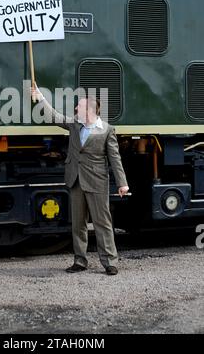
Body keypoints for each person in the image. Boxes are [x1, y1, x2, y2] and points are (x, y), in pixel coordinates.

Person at [31, 83, 129, 275]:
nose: (76, 108)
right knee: (78, 224)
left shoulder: (107, 130)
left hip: (97, 181)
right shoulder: (75, 124)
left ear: (90, 111)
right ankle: (80, 260)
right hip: (75, 180)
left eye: (80, 106)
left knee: (102, 223)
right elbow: (54, 116)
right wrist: (40, 97)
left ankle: (110, 262)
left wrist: (122, 183)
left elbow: (114, 158)